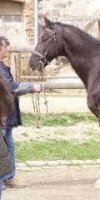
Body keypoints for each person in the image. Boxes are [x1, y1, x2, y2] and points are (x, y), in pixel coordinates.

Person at [0, 36, 43, 191]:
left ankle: (8, 177)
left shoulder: (2, 66)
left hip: (6, 114)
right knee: (3, 148)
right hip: (3, 115)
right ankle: (3, 179)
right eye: (5, 47)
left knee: (9, 146)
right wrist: (32, 87)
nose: (8, 49)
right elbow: (12, 88)